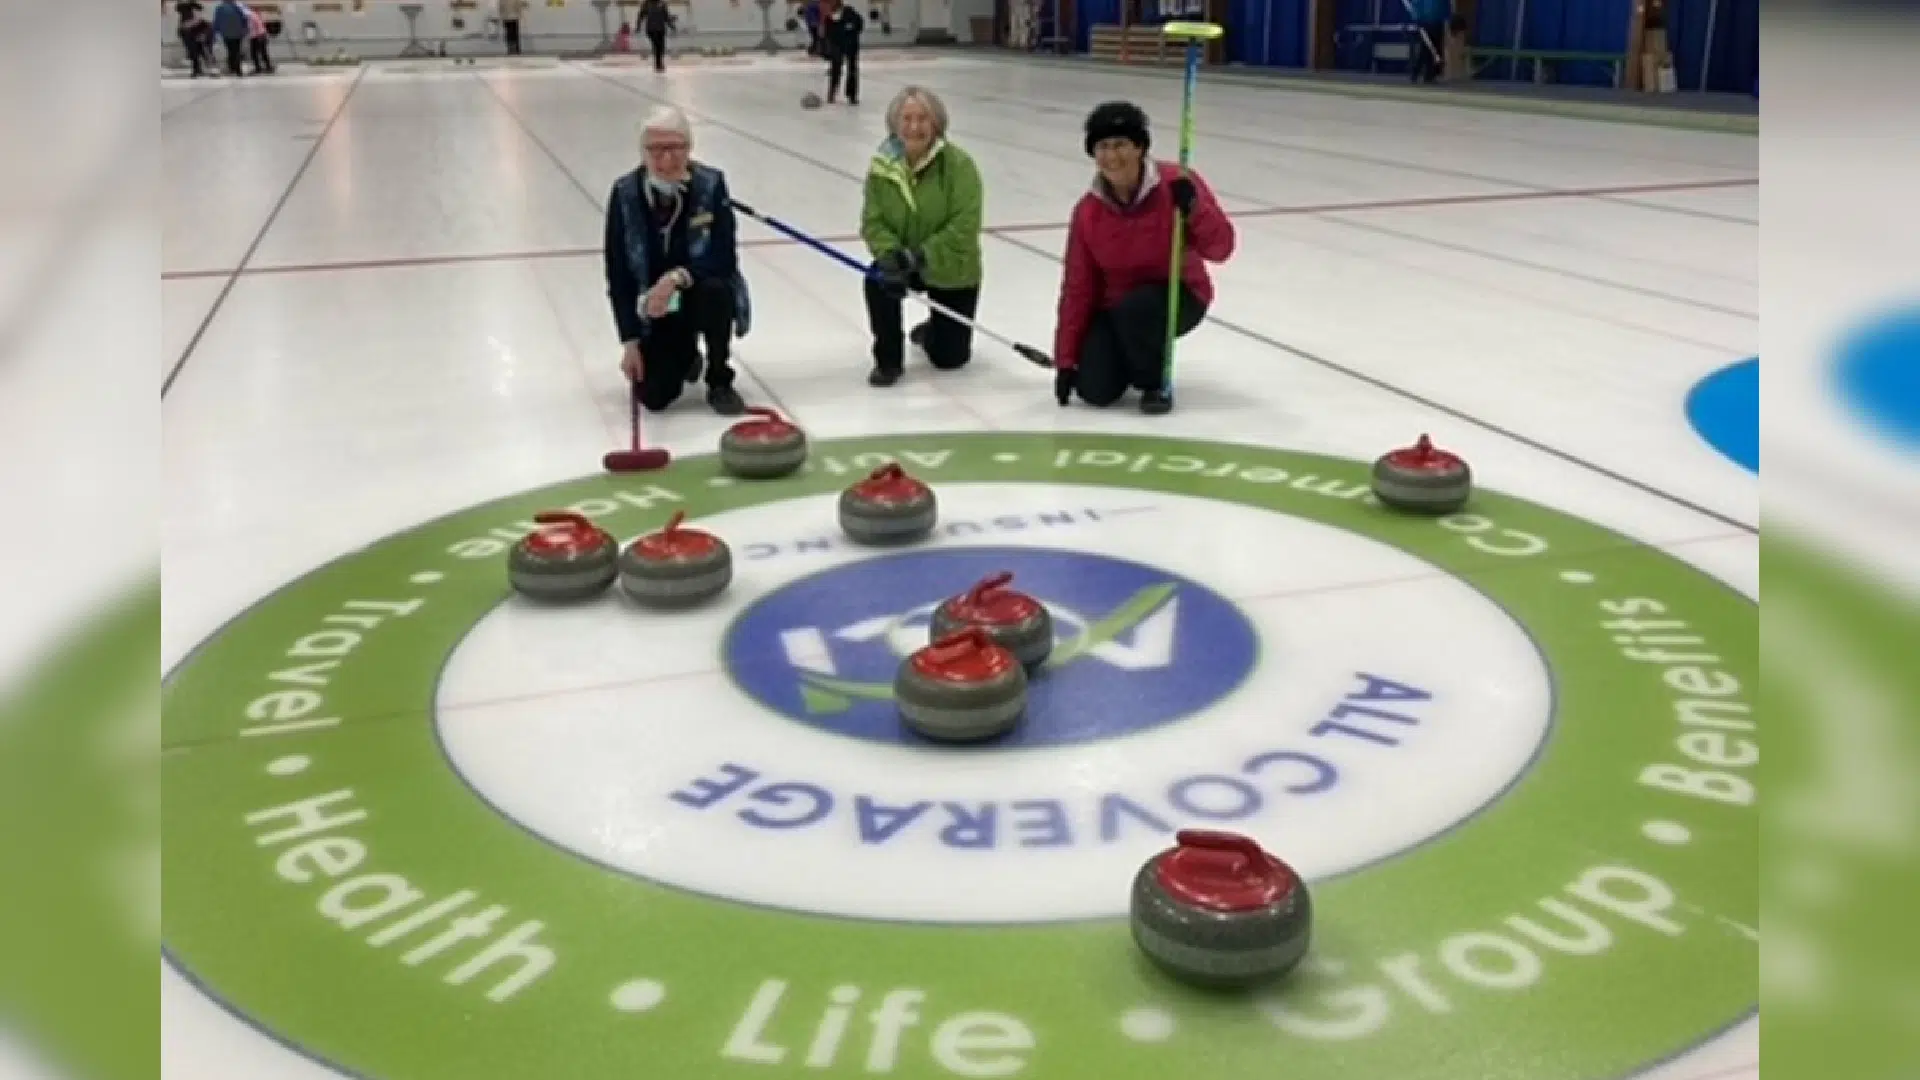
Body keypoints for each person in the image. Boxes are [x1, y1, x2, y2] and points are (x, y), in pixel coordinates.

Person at [1051, 101, 1234, 415]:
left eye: (1121, 144)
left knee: (1139, 308)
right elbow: (1078, 288)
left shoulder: (1177, 183)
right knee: (1095, 390)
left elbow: (1221, 249)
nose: (1111, 156)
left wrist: (1194, 210)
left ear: (1140, 148)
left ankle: (1154, 383)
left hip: (1179, 296)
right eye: (1102, 147)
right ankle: (1130, 356)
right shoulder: (1088, 212)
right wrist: (1066, 360)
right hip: (1117, 306)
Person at [604, 106, 752, 415]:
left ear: (689, 147)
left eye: (674, 148)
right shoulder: (625, 194)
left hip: (697, 290)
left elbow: (723, 257)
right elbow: (618, 274)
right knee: (654, 396)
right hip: (655, 308)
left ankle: (719, 378)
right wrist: (630, 342)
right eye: (655, 150)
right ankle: (685, 354)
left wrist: (676, 278)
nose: (666, 159)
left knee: (716, 289)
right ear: (642, 152)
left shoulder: (710, 185)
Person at [859, 86, 984, 387]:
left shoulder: (959, 166)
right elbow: (872, 220)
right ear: (895, 123)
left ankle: (932, 332)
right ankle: (888, 359)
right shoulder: (882, 167)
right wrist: (889, 255)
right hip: (902, 262)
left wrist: (921, 255)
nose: (915, 127)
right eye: (907, 118)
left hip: (950, 266)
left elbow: (965, 224)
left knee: (950, 359)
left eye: (923, 119)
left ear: (937, 124)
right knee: (876, 279)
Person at [824, 0, 862, 105]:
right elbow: (828, 33)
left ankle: (852, 95)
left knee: (852, 70)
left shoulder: (850, 12)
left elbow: (858, 24)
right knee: (835, 68)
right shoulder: (829, 17)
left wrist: (850, 30)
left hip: (850, 44)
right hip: (837, 45)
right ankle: (832, 93)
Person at [639, 0, 674, 71]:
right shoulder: (646, 4)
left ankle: (659, 63)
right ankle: (658, 64)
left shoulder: (662, 4)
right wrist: (638, 26)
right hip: (651, 29)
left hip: (661, 28)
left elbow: (666, 16)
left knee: (661, 46)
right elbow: (641, 15)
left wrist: (671, 25)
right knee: (656, 45)